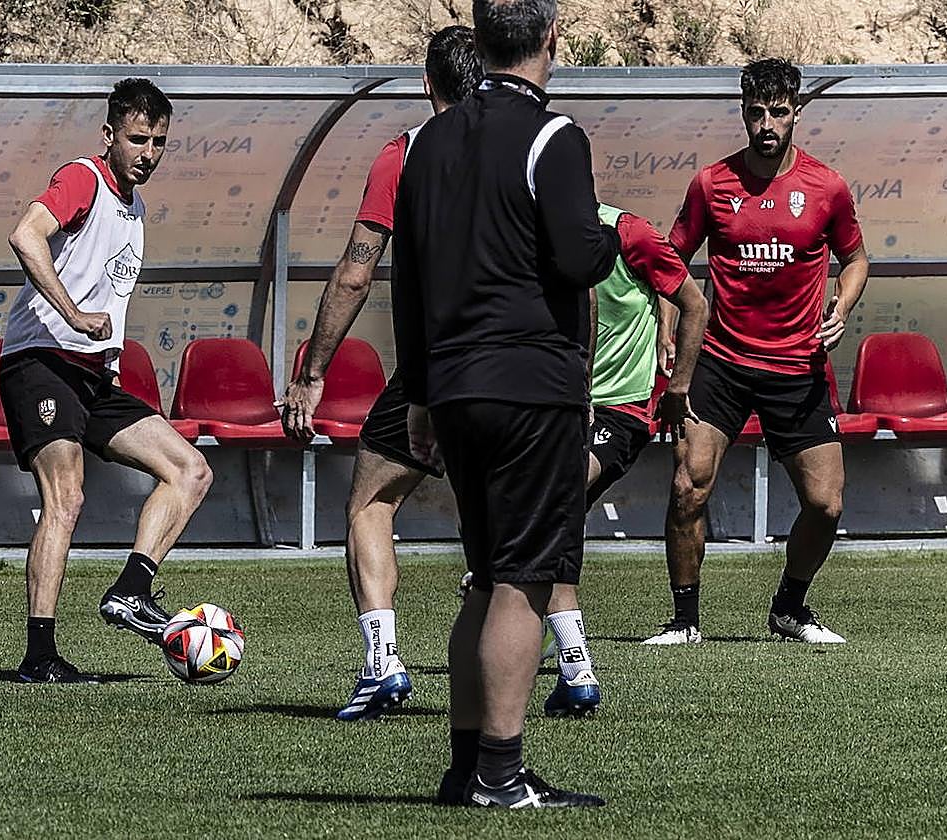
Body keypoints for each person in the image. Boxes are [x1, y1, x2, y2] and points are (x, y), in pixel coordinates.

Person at [392, 0, 621, 808]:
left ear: (480, 38)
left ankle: (465, 769)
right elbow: (579, 256)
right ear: (553, 37)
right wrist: (614, 237)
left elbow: (408, 280)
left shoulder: (426, 142)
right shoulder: (555, 136)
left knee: (487, 577)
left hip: (454, 384)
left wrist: (418, 394)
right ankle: (500, 772)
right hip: (530, 384)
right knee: (525, 579)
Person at [282, 26, 488, 723]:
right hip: (517, 366)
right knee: (507, 519)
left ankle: (383, 664)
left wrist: (313, 371)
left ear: (427, 84)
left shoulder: (404, 156)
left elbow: (355, 273)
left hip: (439, 363)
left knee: (371, 502)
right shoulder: (525, 150)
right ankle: (572, 662)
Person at [649, 57, 870, 646]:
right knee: (687, 486)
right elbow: (671, 262)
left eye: (777, 112)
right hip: (720, 362)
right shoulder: (711, 184)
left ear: (796, 113)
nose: (766, 124)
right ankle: (684, 621)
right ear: (743, 114)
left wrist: (842, 306)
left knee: (825, 504)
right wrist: (667, 328)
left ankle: (790, 608)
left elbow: (855, 259)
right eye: (755, 113)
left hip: (797, 366)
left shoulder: (827, 187)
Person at [0, 79, 213, 683]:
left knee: (191, 471)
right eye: (138, 139)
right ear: (109, 135)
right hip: (41, 360)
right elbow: (25, 235)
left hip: (92, 374)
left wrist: (107, 353)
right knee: (65, 498)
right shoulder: (83, 178)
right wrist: (72, 314)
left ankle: (131, 591)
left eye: (159, 142)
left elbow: (106, 290)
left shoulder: (134, 208)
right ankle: (40, 657)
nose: (148, 153)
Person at [537, 201, 707, 713]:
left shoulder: (629, 233)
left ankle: (570, 658)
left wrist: (677, 385)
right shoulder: (526, 227)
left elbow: (694, 304)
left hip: (622, 408)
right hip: (557, 406)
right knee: (549, 519)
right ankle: (558, 649)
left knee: (555, 497)